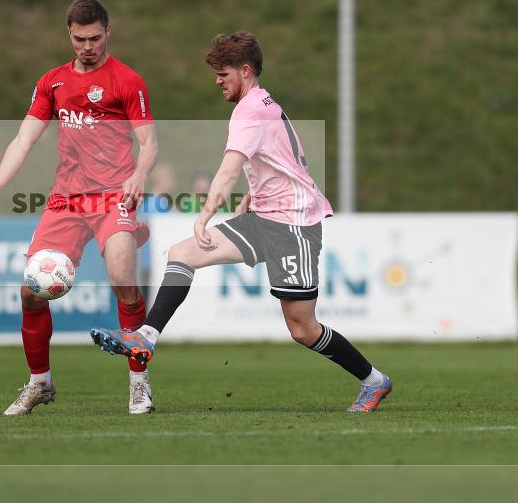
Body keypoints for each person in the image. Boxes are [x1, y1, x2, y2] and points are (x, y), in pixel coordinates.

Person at [91, 31, 392, 413]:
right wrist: (256, 191)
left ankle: (374, 381)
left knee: (302, 328)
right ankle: (146, 337)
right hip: (263, 215)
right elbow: (284, 156)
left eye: (223, 73)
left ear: (245, 71)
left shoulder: (250, 111)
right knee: (183, 253)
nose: (217, 80)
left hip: (292, 225)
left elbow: (227, 172)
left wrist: (204, 216)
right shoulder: (262, 104)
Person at [0, 0, 158, 416]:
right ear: (68, 34)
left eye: (94, 37)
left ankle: (139, 384)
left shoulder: (127, 81)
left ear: (109, 32)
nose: (87, 46)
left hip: (114, 195)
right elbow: (24, 139)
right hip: (66, 199)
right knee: (30, 292)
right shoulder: (51, 82)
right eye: (79, 38)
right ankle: (39, 383)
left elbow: (148, 141)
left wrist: (139, 174)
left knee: (124, 278)